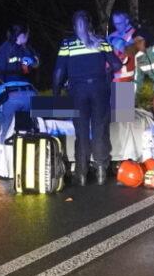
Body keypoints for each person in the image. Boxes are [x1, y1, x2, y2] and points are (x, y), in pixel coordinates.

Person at [53, 11, 119, 185]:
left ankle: (81, 174)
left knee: (81, 131)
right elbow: (116, 64)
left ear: (74, 27)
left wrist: (56, 93)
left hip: (77, 91)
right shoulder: (101, 41)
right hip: (99, 89)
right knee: (100, 129)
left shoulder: (67, 44)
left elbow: (59, 71)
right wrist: (107, 73)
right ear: (90, 25)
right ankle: (100, 171)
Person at [107, 11, 142, 84]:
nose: (117, 26)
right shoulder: (111, 36)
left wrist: (116, 41)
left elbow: (134, 51)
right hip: (115, 79)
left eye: (119, 23)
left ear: (126, 21)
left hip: (130, 79)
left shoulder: (136, 34)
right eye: (115, 23)